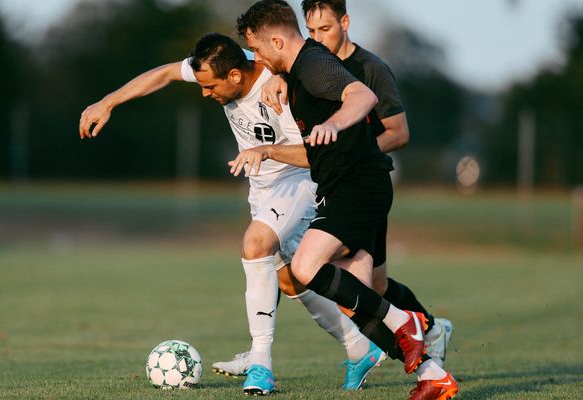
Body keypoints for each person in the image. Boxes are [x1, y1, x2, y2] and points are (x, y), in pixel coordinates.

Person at [79, 33, 384, 395]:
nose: (206, 94)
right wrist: (107, 102)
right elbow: (164, 74)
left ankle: (260, 363)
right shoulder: (221, 60)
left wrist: (268, 150)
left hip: (300, 181)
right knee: (290, 280)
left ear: (236, 77)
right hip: (262, 188)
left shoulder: (281, 89)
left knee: (255, 243)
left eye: (210, 88)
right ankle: (359, 347)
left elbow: (313, 155)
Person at [236, 1, 458, 399]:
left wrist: (334, 123)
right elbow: (313, 139)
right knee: (357, 302)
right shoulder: (297, 69)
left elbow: (362, 97)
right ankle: (432, 375)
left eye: (258, 50)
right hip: (343, 187)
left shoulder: (313, 64)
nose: (258, 60)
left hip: (359, 185)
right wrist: (275, 84)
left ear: (274, 39)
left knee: (305, 267)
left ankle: (405, 320)